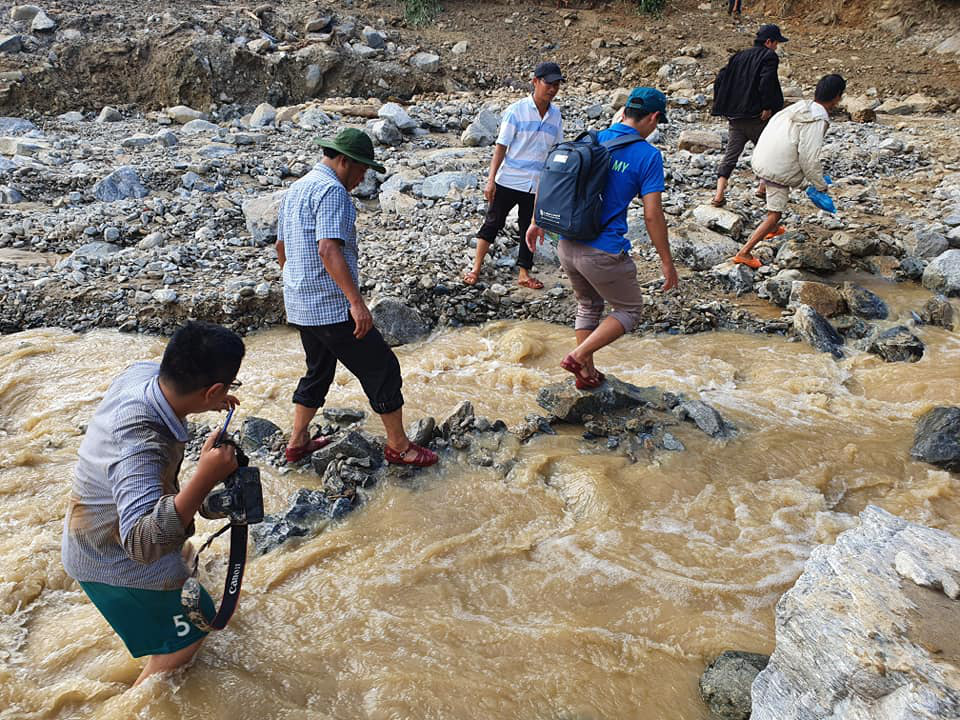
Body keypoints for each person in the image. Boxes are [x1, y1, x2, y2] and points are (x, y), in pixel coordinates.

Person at [62, 321, 245, 685]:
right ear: (212, 390)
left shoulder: (143, 375)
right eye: (226, 388)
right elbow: (142, 545)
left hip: (98, 528)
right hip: (109, 557)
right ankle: (132, 704)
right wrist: (205, 476)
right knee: (195, 627)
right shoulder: (140, 442)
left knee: (186, 561)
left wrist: (208, 401)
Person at [277, 128, 438, 467]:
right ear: (344, 161)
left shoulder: (297, 188)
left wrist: (295, 284)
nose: (362, 178)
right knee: (382, 367)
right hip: (330, 305)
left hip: (301, 302)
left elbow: (281, 247)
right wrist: (356, 302)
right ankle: (399, 447)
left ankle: (297, 442)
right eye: (362, 169)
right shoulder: (332, 191)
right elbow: (328, 248)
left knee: (318, 370)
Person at [527, 87, 679, 389]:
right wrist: (666, 261)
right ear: (653, 117)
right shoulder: (648, 155)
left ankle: (586, 374)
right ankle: (578, 356)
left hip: (567, 244)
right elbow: (652, 215)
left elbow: (550, 178)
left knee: (588, 305)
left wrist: (535, 221)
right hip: (603, 251)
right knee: (629, 310)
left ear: (624, 112)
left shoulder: (591, 138)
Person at [464, 61, 565, 290]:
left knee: (529, 227)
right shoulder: (516, 111)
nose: (553, 89)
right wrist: (490, 181)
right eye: (549, 84)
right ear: (535, 82)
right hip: (509, 179)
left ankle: (524, 273)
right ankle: (475, 267)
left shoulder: (556, 115)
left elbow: (557, 150)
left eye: (557, 84)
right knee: (493, 223)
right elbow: (501, 147)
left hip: (537, 184)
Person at [733, 74, 846, 268]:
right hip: (776, 169)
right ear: (837, 96)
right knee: (775, 214)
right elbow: (809, 158)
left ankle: (764, 193)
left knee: (773, 184)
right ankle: (744, 252)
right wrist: (820, 186)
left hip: (761, 159)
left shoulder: (800, 107)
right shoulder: (817, 119)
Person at [710, 24, 787, 208]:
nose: (776, 46)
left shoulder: (738, 56)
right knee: (768, 151)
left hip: (735, 117)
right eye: (776, 42)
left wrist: (722, 105)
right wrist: (767, 106)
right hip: (756, 117)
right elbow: (766, 81)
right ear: (768, 42)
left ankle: (718, 195)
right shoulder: (769, 56)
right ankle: (762, 188)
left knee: (730, 156)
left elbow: (720, 79)